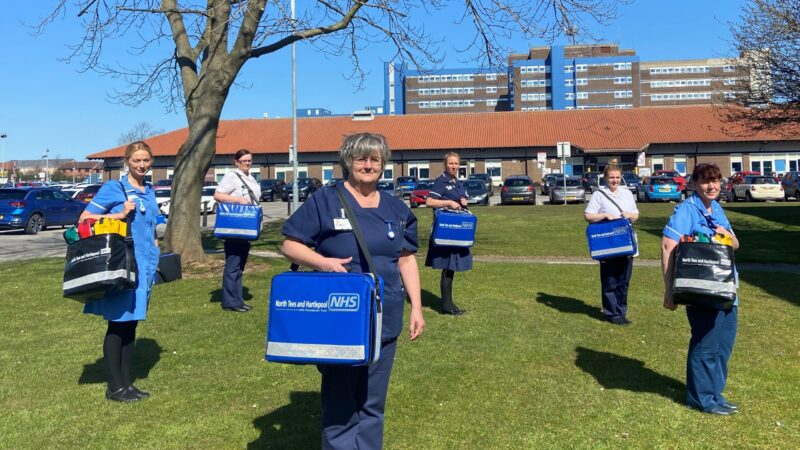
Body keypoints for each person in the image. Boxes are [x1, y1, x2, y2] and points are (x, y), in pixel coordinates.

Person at [281, 133, 425, 449]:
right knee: (340, 404)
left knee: (373, 404)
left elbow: (406, 258)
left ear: (383, 164)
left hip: (384, 317)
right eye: (361, 158)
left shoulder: (396, 208)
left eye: (375, 159)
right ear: (348, 161)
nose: (368, 165)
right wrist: (323, 262)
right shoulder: (326, 199)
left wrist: (416, 306)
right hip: (339, 319)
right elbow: (289, 244)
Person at [81, 141, 160, 402]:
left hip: (144, 266)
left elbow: (150, 228)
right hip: (121, 265)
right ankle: (114, 387)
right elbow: (85, 220)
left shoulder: (148, 190)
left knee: (131, 324)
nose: (142, 165)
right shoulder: (114, 188)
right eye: (137, 160)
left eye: (146, 160)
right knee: (118, 324)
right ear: (127, 161)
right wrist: (120, 215)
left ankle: (127, 384)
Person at [661, 163, 741, 415]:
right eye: (706, 181)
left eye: (716, 180)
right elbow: (667, 247)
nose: (712, 186)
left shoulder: (716, 208)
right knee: (706, 344)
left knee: (723, 345)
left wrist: (727, 237)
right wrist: (669, 290)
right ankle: (701, 398)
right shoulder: (687, 210)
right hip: (700, 289)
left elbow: (735, 243)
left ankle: (715, 394)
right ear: (694, 184)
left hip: (726, 288)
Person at [584, 160, 639, 325]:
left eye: (617, 177)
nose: (614, 180)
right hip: (608, 243)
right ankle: (611, 313)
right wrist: (605, 215)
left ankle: (621, 312)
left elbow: (636, 215)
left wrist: (629, 214)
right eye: (611, 177)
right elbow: (588, 216)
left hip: (626, 242)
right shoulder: (599, 195)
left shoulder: (627, 193)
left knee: (624, 280)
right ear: (605, 178)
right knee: (609, 280)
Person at [213, 149, 262, 313]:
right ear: (236, 162)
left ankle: (238, 299)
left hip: (247, 227)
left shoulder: (251, 177)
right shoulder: (231, 177)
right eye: (244, 161)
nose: (247, 163)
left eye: (249, 161)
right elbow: (218, 195)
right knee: (233, 265)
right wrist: (238, 200)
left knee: (240, 266)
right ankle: (229, 301)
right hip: (235, 227)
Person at [425, 152, 471, 316]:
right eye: (451, 163)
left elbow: (461, 199)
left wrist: (464, 201)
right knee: (447, 267)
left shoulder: (457, 182)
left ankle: (449, 304)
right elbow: (429, 202)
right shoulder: (441, 182)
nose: (454, 166)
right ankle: (446, 306)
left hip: (456, 232)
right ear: (445, 165)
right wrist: (449, 202)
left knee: (452, 268)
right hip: (445, 231)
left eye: (456, 164)